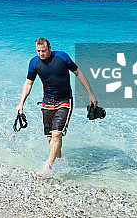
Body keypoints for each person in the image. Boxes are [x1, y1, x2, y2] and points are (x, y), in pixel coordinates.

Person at [16, 37, 98, 177]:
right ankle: (60, 162)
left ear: (49, 48)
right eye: (38, 51)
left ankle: (47, 167)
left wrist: (90, 94)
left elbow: (78, 73)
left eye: (43, 51)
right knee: (50, 137)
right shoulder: (34, 62)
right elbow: (28, 83)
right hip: (47, 101)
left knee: (57, 133)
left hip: (65, 100)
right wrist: (21, 103)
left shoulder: (62, 57)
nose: (41, 54)